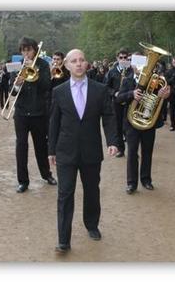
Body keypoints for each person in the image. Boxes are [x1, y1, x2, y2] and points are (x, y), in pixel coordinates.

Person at [47, 49, 121, 254]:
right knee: (65, 194)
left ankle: (92, 224)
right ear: (67, 66)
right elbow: (54, 122)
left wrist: (113, 141)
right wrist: (51, 150)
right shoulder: (58, 91)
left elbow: (108, 116)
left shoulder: (100, 89)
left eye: (81, 60)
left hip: (91, 150)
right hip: (65, 151)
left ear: (86, 64)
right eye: (74, 61)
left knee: (92, 190)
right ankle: (63, 239)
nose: (78, 64)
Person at [114, 51, 170, 195]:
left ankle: (146, 180)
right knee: (132, 152)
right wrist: (131, 95)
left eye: (142, 62)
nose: (138, 66)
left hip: (148, 122)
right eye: (136, 62)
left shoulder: (156, 80)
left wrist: (164, 96)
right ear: (132, 64)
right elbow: (119, 98)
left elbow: (162, 101)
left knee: (147, 151)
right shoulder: (127, 80)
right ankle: (131, 183)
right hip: (132, 122)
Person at [11, 38, 57, 193]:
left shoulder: (43, 65)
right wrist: (17, 84)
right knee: (21, 146)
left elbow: (46, 86)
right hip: (21, 112)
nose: (26, 53)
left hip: (39, 112)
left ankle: (46, 174)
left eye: (29, 50)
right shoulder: (17, 66)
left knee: (41, 145)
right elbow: (12, 92)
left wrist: (33, 73)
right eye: (23, 50)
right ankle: (23, 181)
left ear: (34, 50)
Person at [103, 50, 134, 157]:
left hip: (130, 102)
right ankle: (121, 149)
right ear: (117, 58)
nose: (123, 59)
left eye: (125, 57)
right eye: (121, 57)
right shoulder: (112, 72)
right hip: (116, 102)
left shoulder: (132, 70)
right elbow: (106, 87)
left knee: (130, 127)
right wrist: (114, 93)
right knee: (118, 127)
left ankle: (132, 150)